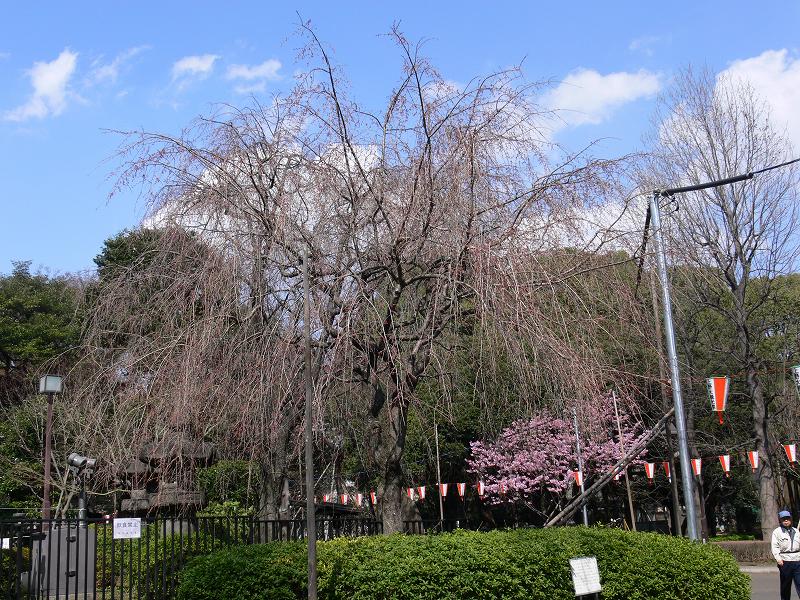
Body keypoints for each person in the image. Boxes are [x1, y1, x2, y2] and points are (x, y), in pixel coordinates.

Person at [772, 509, 800, 600]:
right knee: (785, 587)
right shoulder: (777, 532)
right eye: (784, 519)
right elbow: (775, 546)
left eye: (788, 518)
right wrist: (778, 559)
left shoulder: (796, 531)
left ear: (791, 519)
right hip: (785, 562)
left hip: (797, 561)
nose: (786, 520)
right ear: (780, 520)